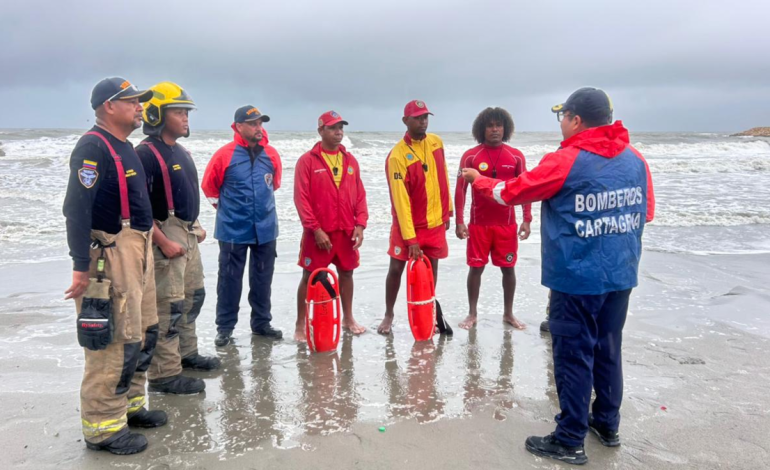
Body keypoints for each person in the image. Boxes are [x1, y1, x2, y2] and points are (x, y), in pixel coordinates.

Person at [462, 87, 655, 465]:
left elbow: (512, 192)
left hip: (577, 277)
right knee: (608, 347)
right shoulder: (636, 159)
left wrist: (477, 180)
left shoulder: (566, 159)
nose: (561, 123)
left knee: (572, 353)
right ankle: (607, 424)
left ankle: (569, 438)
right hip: (621, 274)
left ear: (576, 120)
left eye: (562, 116)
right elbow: (645, 213)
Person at [63, 77, 166, 455]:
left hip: (138, 249)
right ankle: (103, 428)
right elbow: (75, 208)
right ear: (109, 105)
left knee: (143, 332)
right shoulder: (93, 146)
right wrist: (79, 267)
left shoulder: (124, 147)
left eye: (141, 101)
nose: (140, 106)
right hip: (110, 255)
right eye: (132, 101)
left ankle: (130, 407)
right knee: (113, 343)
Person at [136, 82, 220, 397]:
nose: (186, 118)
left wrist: (195, 225)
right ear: (157, 114)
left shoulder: (180, 150)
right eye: (179, 112)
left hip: (187, 232)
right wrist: (161, 240)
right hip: (165, 235)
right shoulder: (145, 153)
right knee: (168, 307)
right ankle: (165, 375)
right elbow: (139, 208)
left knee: (192, 297)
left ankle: (187, 354)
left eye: (186, 112)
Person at [201, 105, 283, 347]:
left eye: (260, 123)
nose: (259, 128)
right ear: (238, 127)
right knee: (229, 280)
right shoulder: (224, 155)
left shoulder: (272, 155)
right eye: (253, 123)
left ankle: (261, 324)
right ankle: (225, 328)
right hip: (232, 229)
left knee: (262, 279)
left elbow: (274, 185)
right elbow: (209, 187)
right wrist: (228, 210)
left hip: (266, 229)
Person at [377, 100, 453, 335]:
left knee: (432, 269)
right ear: (405, 121)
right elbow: (400, 201)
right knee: (396, 269)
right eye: (418, 118)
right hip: (407, 227)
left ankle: (428, 310)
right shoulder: (397, 156)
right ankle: (389, 314)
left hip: (435, 223)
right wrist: (410, 239)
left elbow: (443, 178)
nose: (423, 122)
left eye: (425, 117)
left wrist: (447, 211)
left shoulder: (436, 143)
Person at [454, 107, 532, 330]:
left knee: (508, 268)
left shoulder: (516, 156)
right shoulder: (471, 156)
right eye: (490, 125)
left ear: (505, 128)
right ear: (482, 129)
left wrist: (527, 219)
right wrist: (459, 221)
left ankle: (508, 313)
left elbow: (525, 189)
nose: (495, 129)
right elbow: (460, 190)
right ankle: (472, 314)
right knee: (475, 268)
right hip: (479, 225)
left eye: (499, 125)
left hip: (507, 225)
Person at [293, 111, 368, 341]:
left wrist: (360, 225)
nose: (339, 133)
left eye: (341, 128)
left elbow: (360, 195)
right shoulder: (308, 160)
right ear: (321, 131)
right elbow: (301, 198)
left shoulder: (350, 160)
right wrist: (315, 229)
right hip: (318, 234)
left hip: (345, 232)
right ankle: (300, 324)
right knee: (309, 276)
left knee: (347, 273)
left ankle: (348, 318)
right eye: (333, 128)